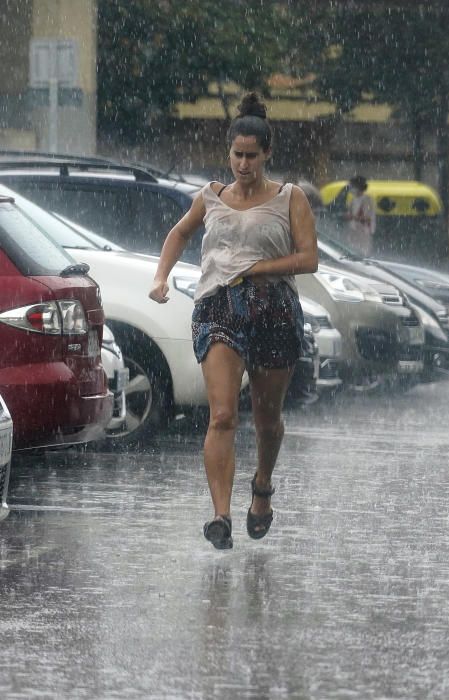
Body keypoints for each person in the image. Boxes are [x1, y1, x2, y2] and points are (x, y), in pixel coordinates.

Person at [149, 92, 318, 550]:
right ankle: (220, 515)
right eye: (237, 155)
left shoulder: (289, 197)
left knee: (267, 418)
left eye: (252, 156)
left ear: (267, 154)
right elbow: (180, 232)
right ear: (229, 154)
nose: (244, 164)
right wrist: (161, 276)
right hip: (218, 307)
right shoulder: (211, 196)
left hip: (275, 310)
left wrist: (258, 268)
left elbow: (309, 259)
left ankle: (261, 488)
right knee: (222, 413)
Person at [345, 175, 376, 256]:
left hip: (363, 231)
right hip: (354, 231)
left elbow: (368, 218)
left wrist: (353, 217)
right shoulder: (353, 200)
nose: (351, 189)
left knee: (362, 252)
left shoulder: (367, 200)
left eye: (353, 186)